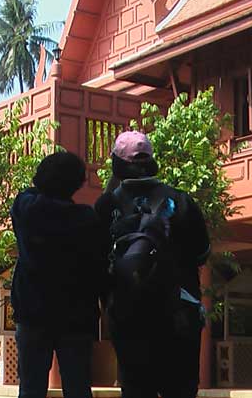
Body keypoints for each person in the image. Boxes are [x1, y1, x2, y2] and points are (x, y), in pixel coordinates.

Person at [94, 131, 210, 398]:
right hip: (179, 315)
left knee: (136, 390)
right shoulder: (181, 201)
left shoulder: (106, 205)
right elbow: (202, 253)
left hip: (129, 318)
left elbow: (95, 262)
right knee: (180, 390)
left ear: (117, 164)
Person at [9, 151, 109, 398]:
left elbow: (30, 191)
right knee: (78, 388)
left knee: (30, 389)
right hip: (77, 316)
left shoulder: (26, 208)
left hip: (32, 313)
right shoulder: (86, 219)